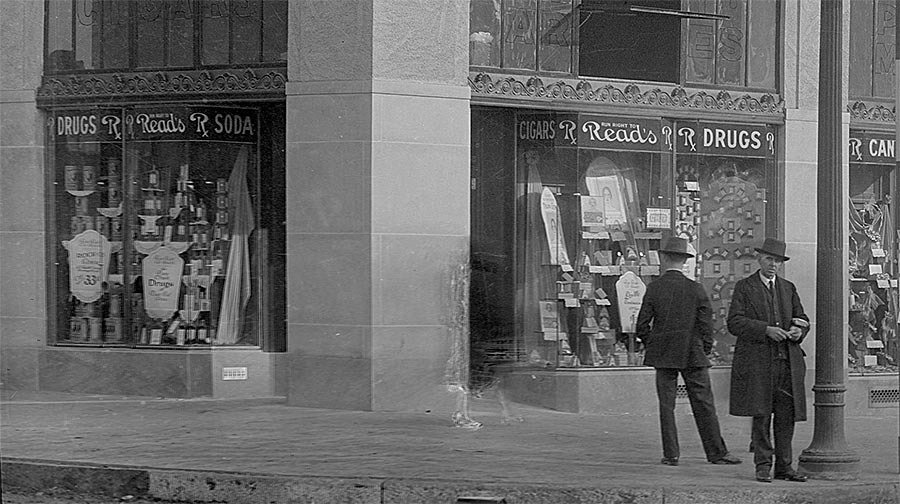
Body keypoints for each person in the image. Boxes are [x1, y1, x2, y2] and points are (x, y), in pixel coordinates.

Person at [636, 237, 742, 467]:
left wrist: (653, 343)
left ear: (664, 258)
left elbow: (642, 325)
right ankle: (716, 453)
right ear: (684, 261)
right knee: (704, 404)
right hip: (693, 352)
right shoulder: (696, 289)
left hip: (664, 354)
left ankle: (671, 454)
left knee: (667, 406)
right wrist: (704, 348)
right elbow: (706, 325)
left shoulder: (654, 288)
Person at [727, 237, 810, 483]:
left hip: (786, 363)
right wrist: (765, 330)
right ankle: (763, 465)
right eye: (769, 259)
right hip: (758, 362)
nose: (773, 265)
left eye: (778, 261)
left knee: (786, 416)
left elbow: (802, 318)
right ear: (759, 259)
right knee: (761, 414)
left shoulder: (788, 288)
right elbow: (734, 322)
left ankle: (784, 467)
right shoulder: (745, 287)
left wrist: (798, 331)